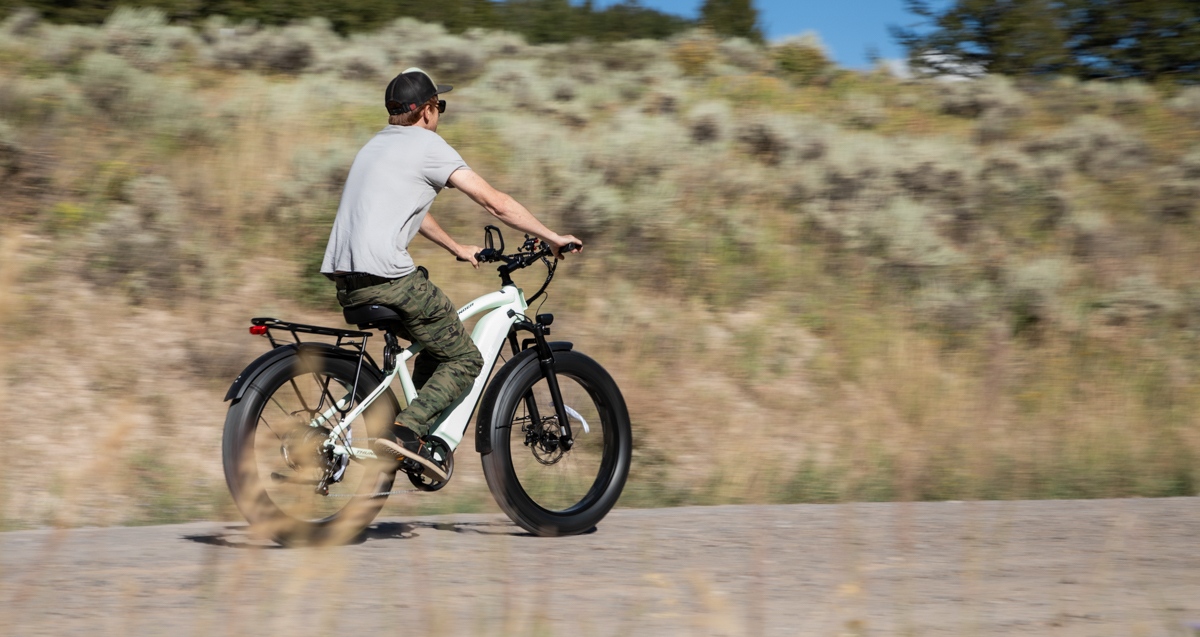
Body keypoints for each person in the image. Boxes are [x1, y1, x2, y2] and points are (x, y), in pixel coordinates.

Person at [320, 68, 581, 481]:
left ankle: (409, 429)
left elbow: (411, 208)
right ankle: (407, 432)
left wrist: (456, 247)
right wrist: (551, 237)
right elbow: (495, 203)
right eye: (439, 106)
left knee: (437, 344)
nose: (439, 113)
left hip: (347, 281)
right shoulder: (427, 144)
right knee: (464, 357)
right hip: (389, 278)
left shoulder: (374, 146)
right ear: (425, 111)